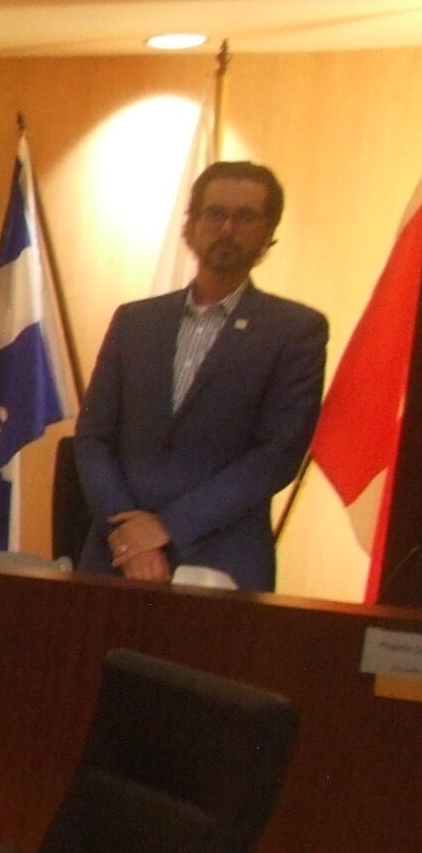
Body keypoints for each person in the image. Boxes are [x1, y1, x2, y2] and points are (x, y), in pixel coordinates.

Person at [73, 161, 327, 591]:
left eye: (245, 217)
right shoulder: (136, 322)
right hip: (114, 553)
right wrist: (129, 535)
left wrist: (168, 526)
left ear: (269, 237)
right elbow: (93, 436)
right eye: (214, 213)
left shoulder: (295, 331)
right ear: (189, 227)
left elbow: (278, 453)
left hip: (223, 559)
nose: (227, 228)